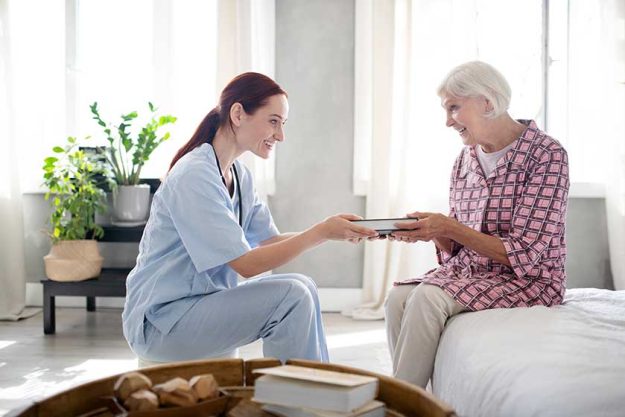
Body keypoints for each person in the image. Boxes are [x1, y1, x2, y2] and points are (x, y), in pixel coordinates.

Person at [122, 72, 377, 364]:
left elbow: (269, 241)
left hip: (199, 307)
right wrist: (320, 231)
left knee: (303, 286)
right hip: (162, 323)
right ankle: (299, 398)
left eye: (282, 124)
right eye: (273, 121)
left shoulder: (239, 176)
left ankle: (311, 388)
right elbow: (247, 264)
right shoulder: (194, 175)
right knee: (291, 295)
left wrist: (334, 231)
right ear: (238, 113)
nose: (280, 135)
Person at [384, 61, 569, 388]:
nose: (447, 121)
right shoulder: (464, 160)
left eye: (454, 107)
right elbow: (458, 251)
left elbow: (524, 254)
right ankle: (417, 396)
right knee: (397, 298)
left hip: (528, 281)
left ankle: (402, 406)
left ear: (487, 101)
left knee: (428, 298)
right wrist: (435, 233)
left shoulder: (546, 154)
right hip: (472, 274)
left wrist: (449, 227)